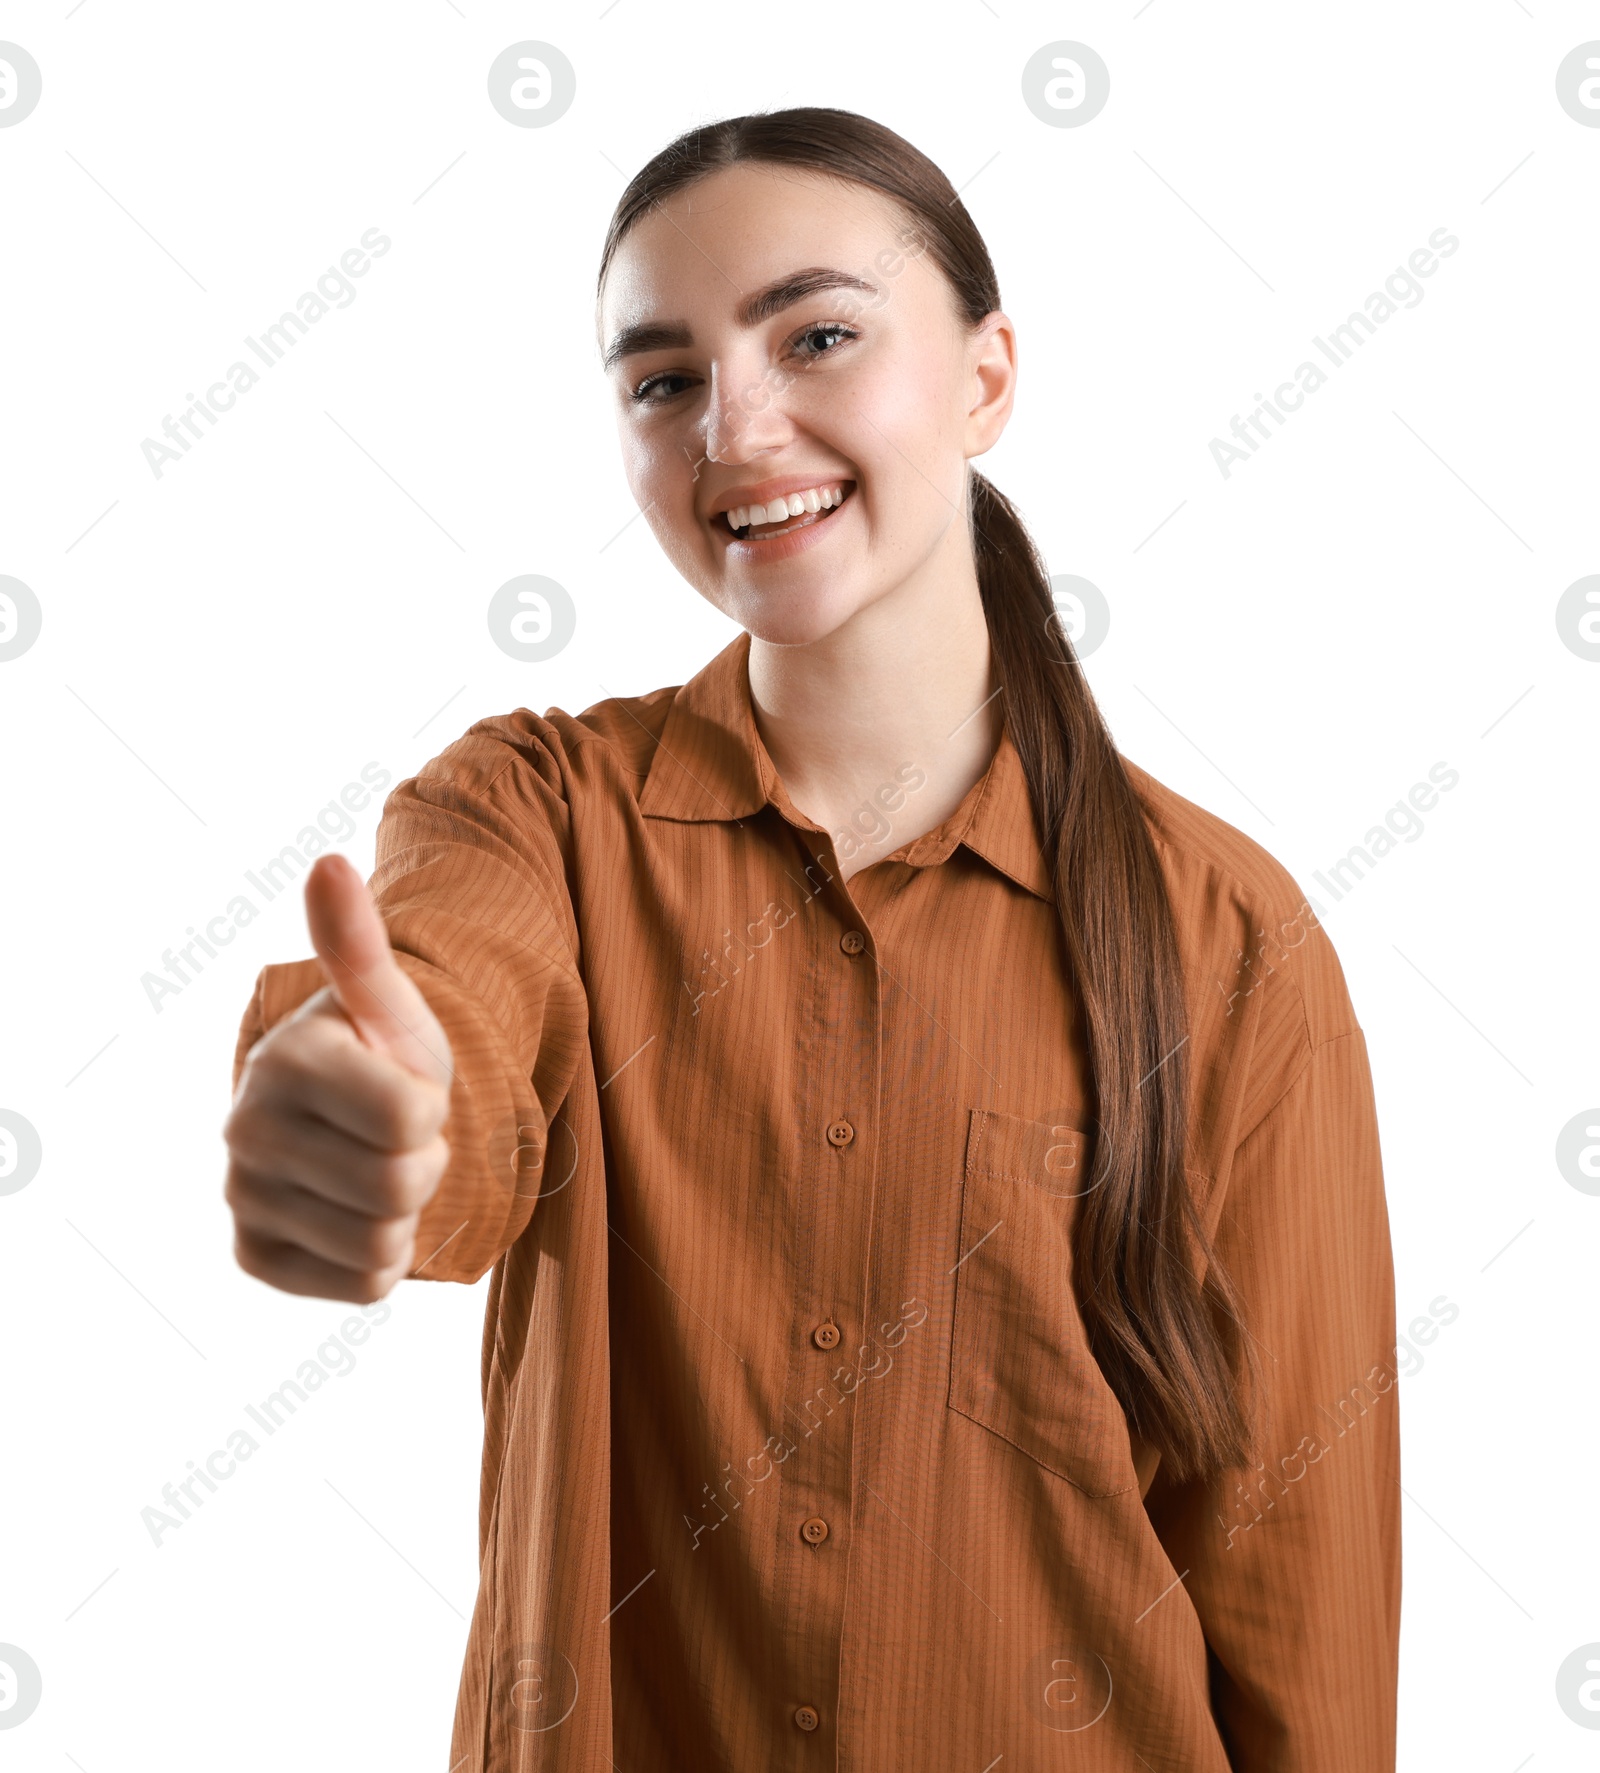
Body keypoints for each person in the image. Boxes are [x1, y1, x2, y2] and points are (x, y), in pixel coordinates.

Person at [222, 107, 1400, 1771]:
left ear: (987, 375)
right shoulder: (537, 812)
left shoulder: (1233, 938)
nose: (737, 424)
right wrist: (370, 1116)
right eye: (663, 379)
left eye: (819, 335)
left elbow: (1301, 1587)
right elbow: (450, 1046)